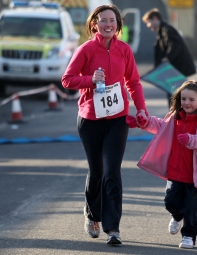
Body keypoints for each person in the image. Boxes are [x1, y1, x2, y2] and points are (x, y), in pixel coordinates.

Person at [61, 4, 148, 245]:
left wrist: (141, 108)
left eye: (112, 20)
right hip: (90, 119)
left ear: (118, 25)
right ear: (94, 24)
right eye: (103, 20)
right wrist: (90, 80)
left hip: (118, 119)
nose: (108, 24)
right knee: (97, 171)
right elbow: (67, 80)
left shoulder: (124, 50)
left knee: (112, 172)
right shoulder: (86, 49)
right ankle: (92, 215)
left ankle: (113, 228)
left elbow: (134, 82)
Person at [127, 80, 197, 249]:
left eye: (191, 99)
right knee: (170, 202)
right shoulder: (175, 117)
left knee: (190, 209)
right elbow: (160, 126)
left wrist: (192, 139)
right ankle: (177, 216)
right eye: (183, 99)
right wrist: (143, 121)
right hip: (175, 173)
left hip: (195, 176)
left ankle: (188, 236)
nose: (186, 102)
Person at [142, 8, 197, 107]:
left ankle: (176, 118)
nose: (148, 25)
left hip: (176, 69)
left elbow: (175, 45)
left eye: (149, 22)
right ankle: (175, 117)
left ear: (155, 18)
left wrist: (167, 58)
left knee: (175, 95)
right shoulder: (162, 31)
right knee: (174, 94)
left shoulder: (167, 30)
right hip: (174, 69)